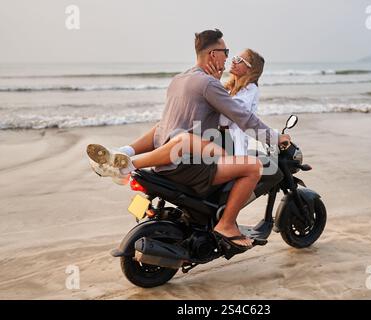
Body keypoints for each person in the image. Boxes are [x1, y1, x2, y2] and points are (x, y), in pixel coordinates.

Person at [87, 29, 290, 250]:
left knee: (162, 127)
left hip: (162, 160)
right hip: (187, 166)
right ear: (213, 54)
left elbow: (184, 121)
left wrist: (215, 81)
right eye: (226, 52)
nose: (227, 58)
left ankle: (124, 152)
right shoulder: (209, 85)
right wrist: (275, 137)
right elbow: (244, 118)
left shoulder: (180, 79)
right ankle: (227, 224)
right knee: (253, 167)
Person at [205, 49, 264, 156]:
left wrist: (215, 84)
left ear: (250, 68)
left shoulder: (250, 89)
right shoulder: (229, 88)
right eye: (234, 58)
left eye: (238, 60)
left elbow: (225, 120)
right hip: (223, 141)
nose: (233, 61)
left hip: (233, 145)